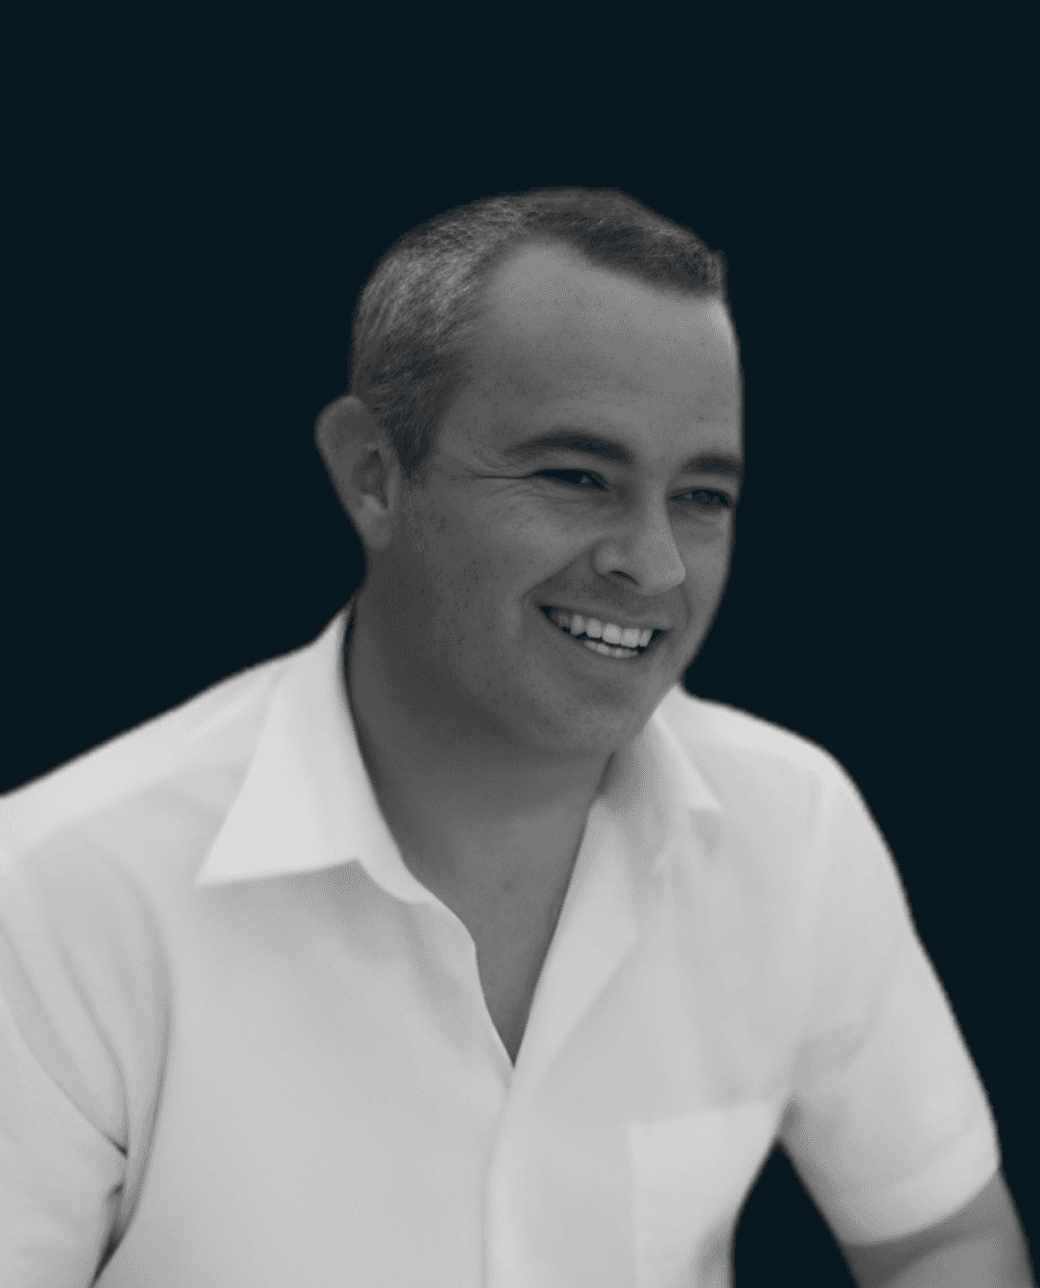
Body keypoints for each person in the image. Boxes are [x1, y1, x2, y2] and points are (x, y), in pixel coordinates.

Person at [0, 187, 1032, 1288]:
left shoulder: (793, 827)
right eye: (575, 476)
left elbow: (942, 1242)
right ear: (372, 474)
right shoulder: (56, 895)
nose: (655, 564)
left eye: (701, 495)